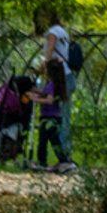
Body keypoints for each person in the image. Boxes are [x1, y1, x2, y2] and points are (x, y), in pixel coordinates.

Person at [28, 9, 73, 171]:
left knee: (57, 126)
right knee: (64, 118)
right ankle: (64, 157)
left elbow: (48, 55)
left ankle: (65, 159)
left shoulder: (53, 33)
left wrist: (41, 68)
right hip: (66, 75)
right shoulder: (63, 31)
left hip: (61, 75)